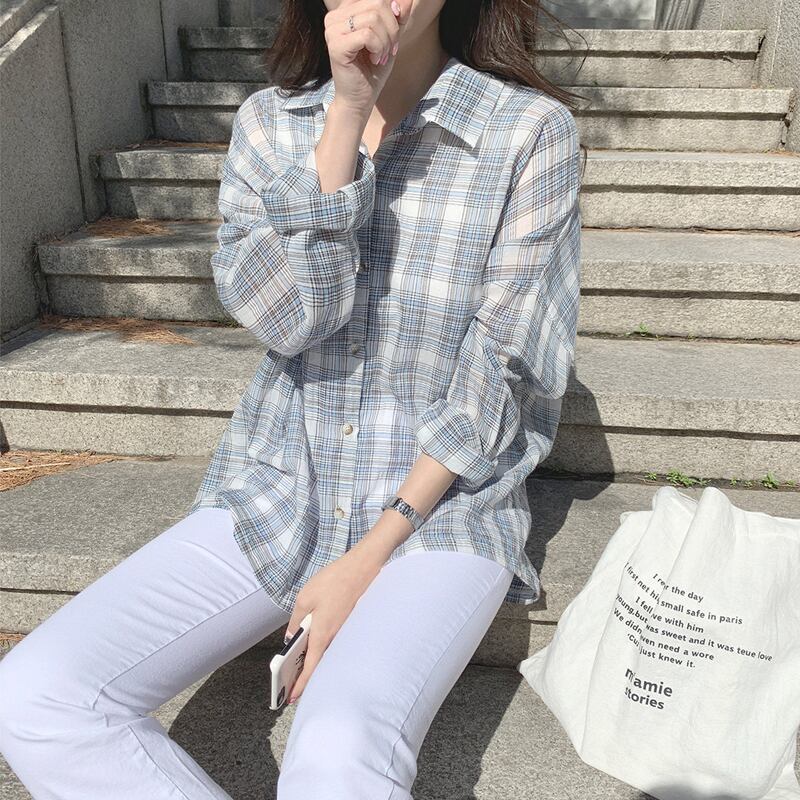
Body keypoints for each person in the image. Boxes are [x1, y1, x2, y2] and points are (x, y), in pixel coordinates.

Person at [0, 0, 584, 797]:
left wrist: (369, 555)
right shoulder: (269, 124)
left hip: (443, 510)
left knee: (339, 752)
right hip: (279, 485)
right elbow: (288, 321)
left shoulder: (527, 131)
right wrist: (345, 115)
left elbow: (503, 368)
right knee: (36, 693)